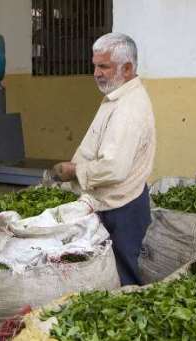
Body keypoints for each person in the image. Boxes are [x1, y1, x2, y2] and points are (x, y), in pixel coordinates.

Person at [50, 32, 156, 286]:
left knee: (125, 276)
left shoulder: (129, 108)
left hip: (122, 207)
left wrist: (75, 170)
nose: (96, 73)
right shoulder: (117, 96)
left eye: (104, 66)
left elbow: (114, 168)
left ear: (127, 68)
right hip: (112, 202)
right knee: (113, 273)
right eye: (95, 65)